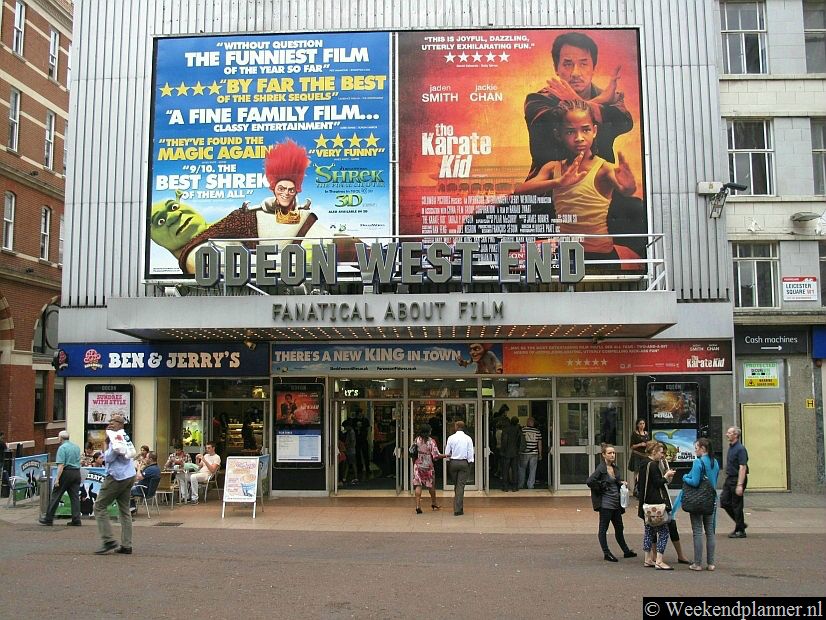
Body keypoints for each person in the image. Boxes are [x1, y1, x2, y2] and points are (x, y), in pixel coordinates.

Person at [159, 140, 358, 274]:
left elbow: (345, 246)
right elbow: (197, 252)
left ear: (297, 190)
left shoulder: (307, 219)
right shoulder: (246, 218)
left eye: (290, 190)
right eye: (281, 189)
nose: (286, 194)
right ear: (273, 188)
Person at [515, 99, 639, 264]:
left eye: (585, 130)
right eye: (570, 132)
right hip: (566, 254)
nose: (579, 138)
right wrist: (558, 182)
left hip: (599, 254)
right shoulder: (553, 168)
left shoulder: (604, 168)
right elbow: (520, 191)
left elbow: (625, 189)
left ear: (594, 131)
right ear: (558, 134)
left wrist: (629, 186)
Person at [524, 31, 632, 179]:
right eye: (568, 64)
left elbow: (624, 122)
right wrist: (601, 100)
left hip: (600, 187)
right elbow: (552, 122)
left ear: (593, 67)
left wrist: (574, 100)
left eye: (583, 63)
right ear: (556, 68)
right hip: (549, 188)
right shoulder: (538, 100)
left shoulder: (612, 97)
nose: (575, 72)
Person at [94, 414, 137, 555]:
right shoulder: (124, 436)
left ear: (120, 424)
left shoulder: (114, 438)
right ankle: (127, 545)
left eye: (114, 421)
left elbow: (110, 457)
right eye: (110, 421)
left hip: (116, 477)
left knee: (99, 506)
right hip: (129, 475)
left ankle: (108, 540)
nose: (111, 423)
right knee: (125, 510)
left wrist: (104, 449)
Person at [586, 443, 636, 561]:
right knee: (603, 528)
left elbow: (615, 481)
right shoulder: (601, 468)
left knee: (619, 527)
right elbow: (590, 481)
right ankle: (606, 553)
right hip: (605, 504)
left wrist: (621, 483)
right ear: (604, 455)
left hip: (616, 503)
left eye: (613, 453)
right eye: (609, 453)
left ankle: (626, 551)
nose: (612, 455)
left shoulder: (615, 467)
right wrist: (602, 486)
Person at [681, 438, 721, 571]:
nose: (695, 450)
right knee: (710, 532)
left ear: (703, 449)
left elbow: (695, 482)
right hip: (711, 500)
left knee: (697, 531)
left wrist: (685, 477)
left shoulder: (698, 462)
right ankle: (711, 563)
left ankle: (697, 563)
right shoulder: (715, 462)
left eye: (696, 447)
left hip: (698, 501)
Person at [637, 440, 675, 570]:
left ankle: (647, 558)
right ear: (654, 451)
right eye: (660, 451)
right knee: (663, 531)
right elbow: (658, 483)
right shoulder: (653, 465)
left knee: (649, 530)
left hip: (645, 503)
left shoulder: (643, 464)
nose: (662, 454)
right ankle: (659, 560)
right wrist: (666, 475)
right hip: (656, 503)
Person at [39, 430, 82, 527]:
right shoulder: (76, 447)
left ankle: (48, 518)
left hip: (66, 473)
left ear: (61, 438)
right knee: (75, 497)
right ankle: (76, 519)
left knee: (56, 495)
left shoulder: (62, 448)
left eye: (58, 437)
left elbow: (61, 465)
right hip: (76, 472)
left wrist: (57, 479)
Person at [720, 426, 749, 538]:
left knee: (737, 505)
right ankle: (740, 524)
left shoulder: (740, 449)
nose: (727, 434)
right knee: (724, 501)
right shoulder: (731, 447)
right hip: (730, 478)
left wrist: (740, 485)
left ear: (735, 435)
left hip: (737, 478)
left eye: (729, 433)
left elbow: (743, 467)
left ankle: (740, 530)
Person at [411, 424, 444, 514]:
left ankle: (418, 505)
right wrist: (446, 455)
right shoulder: (431, 441)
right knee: (431, 485)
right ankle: (434, 503)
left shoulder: (417, 440)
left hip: (418, 465)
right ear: (429, 431)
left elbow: (412, 451)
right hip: (428, 466)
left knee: (418, 485)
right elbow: (436, 456)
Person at [444, 421, 474, 516]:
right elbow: (470, 453)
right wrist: (470, 464)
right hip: (463, 463)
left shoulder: (451, 438)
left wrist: (448, 462)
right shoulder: (468, 438)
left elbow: (447, 452)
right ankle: (458, 508)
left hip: (453, 462)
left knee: (456, 485)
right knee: (460, 485)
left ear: (456, 427)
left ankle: (458, 506)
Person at [518, 417, 542, 489]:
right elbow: (539, 443)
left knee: (522, 469)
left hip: (524, 453)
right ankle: (530, 485)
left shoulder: (523, 430)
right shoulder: (537, 431)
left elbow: (519, 441)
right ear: (533, 423)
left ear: (528, 422)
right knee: (533, 469)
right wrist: (540, 454)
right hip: (534, 453)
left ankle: (521, 484)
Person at [499, 416, 522, 492]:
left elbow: (504, 441)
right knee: (515, 470)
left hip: (506, 453)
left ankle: (505, 487)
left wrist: (503, 450)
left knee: (505, 470)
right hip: (515, 452)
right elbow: (520, 441)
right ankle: (515, 487)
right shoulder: (518, 430)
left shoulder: (506, 430)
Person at [628, 418, 649, 496]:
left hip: (644, 455)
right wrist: (640, 444)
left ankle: (643, 488)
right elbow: (631, 446)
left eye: (643, 423)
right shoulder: (635, 434)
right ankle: (636, 488)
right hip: (637, 454)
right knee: (637, 472)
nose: (642, 425)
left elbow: (649, 443)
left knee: (644, 471)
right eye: (640, 424)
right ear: (637, 425)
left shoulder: (646, 433)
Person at [352, 408, 371, 481]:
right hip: (356, 440)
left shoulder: (365, 420)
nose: (360, 414)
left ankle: (367, 467)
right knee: (358, 454)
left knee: (365, 454)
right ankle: (359, 468)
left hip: (363, 439)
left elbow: (367, 428)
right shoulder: (354, 420)